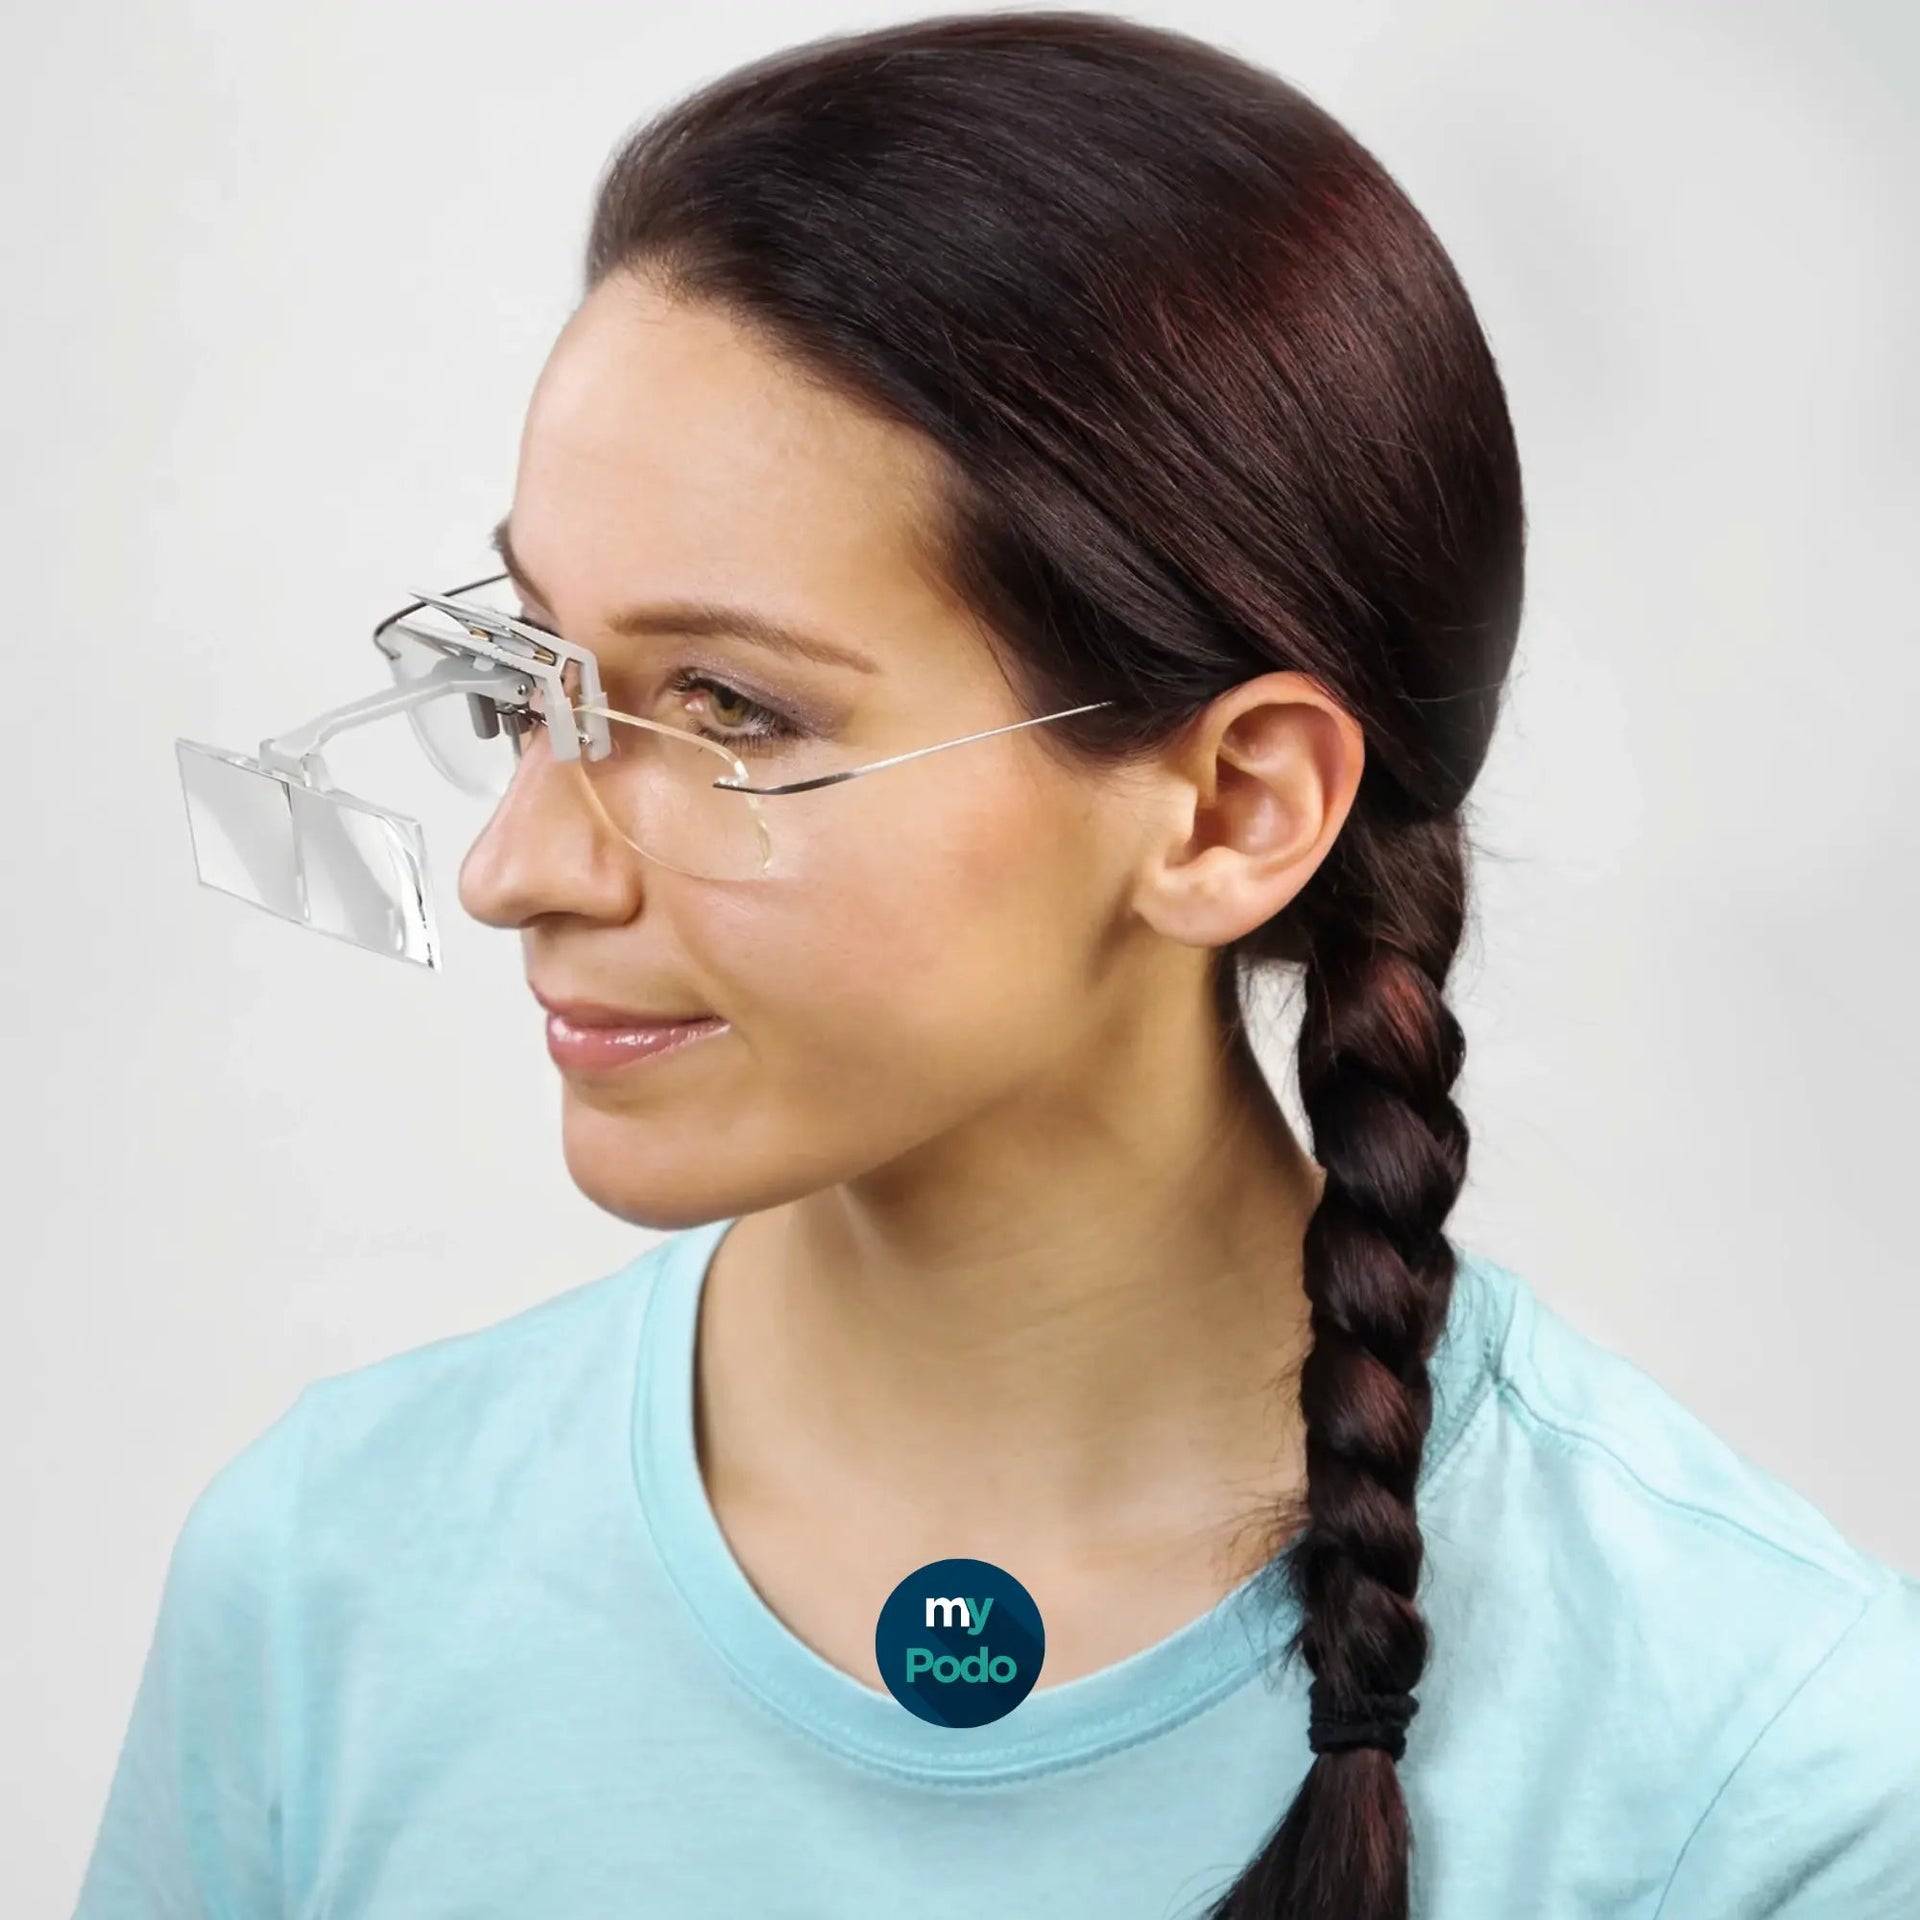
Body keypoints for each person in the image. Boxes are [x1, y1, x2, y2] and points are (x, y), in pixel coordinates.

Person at [75, 12, 1920, 1918]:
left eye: (731, 709)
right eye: (529, 676)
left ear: (1231, 809)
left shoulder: (1769, 1774)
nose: (511, 867)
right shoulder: (323, 1594)